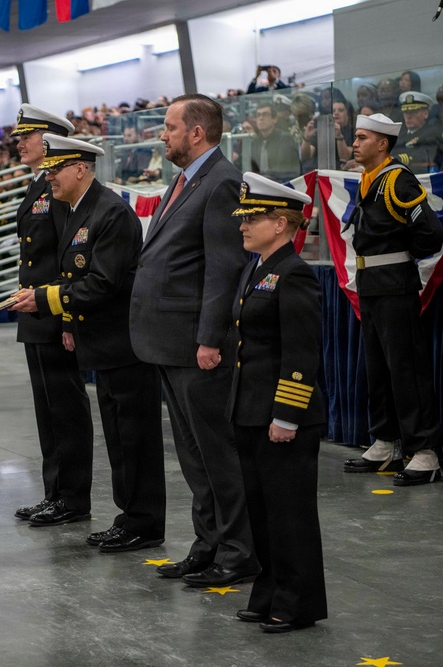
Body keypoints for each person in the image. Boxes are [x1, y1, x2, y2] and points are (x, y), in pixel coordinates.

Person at [11, 135, 166, 552]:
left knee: (135, 439)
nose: (49, 178)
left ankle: (145, 522)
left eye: (55, 170)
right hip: (102, 344)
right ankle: (130, 517)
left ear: (80, 168)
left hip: (124, 344)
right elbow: (70, 274)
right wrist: (63, 315)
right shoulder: (78, 211)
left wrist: (45, 299)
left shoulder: (110, 212)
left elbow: (101, 283)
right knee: (119, 437)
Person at [129, 93, 257, 588]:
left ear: (196, 132)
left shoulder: (221, 183)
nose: (163, 134)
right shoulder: (186, 181)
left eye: (169, 126)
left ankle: (238, 551)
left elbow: (223, 270)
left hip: (196, 346)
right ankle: (207, 545)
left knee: (215, 454)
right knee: (192, 454)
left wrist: (209, 338)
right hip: (169, 343)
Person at [227, 172, 327, 634]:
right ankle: (268, 592)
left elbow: (301, 352)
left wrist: (286, 415)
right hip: (251, 410)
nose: (243, 226)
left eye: (253, 218)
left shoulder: (295, 274)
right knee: (262, 514)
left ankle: (297, 601)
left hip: (282, 416)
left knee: (290, 515)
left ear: (282, 223)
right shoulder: (258, 268)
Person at [342, 114, 443, 486]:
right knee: (378, 368)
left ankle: (425, 450)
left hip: (394, 283)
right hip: (371, 283)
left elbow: (430, 233)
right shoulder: (368, 180)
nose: (354, 144)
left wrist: (403, 256)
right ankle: (386, 441)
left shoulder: (397, 179)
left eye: (361, 137)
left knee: (406, 369)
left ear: (382, 144)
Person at [6, 104, 95, 526]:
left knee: (66, 409)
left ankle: (73, 497)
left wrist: (65, 319)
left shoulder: (59, 189)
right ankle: (55, 492)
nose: (19, 143)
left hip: (54, 310)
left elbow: (69, 257)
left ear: (51, 141)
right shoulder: (39, 185)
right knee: (48, 410)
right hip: (35, 311)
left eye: (28, 136)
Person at [249, 102, 301, 182]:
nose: (261, 118)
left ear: (274, 119)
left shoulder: (285, 139)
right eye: (258, 115)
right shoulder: (255, 141)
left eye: (265, 114)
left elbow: (284, 170)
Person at [392, 92, 442, 172]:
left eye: (413, 112)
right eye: (405, 112)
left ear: (425, 114)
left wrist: (400, 159)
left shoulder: (432, 132)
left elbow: (424, 157)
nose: (408, 116)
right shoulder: (400, 133)